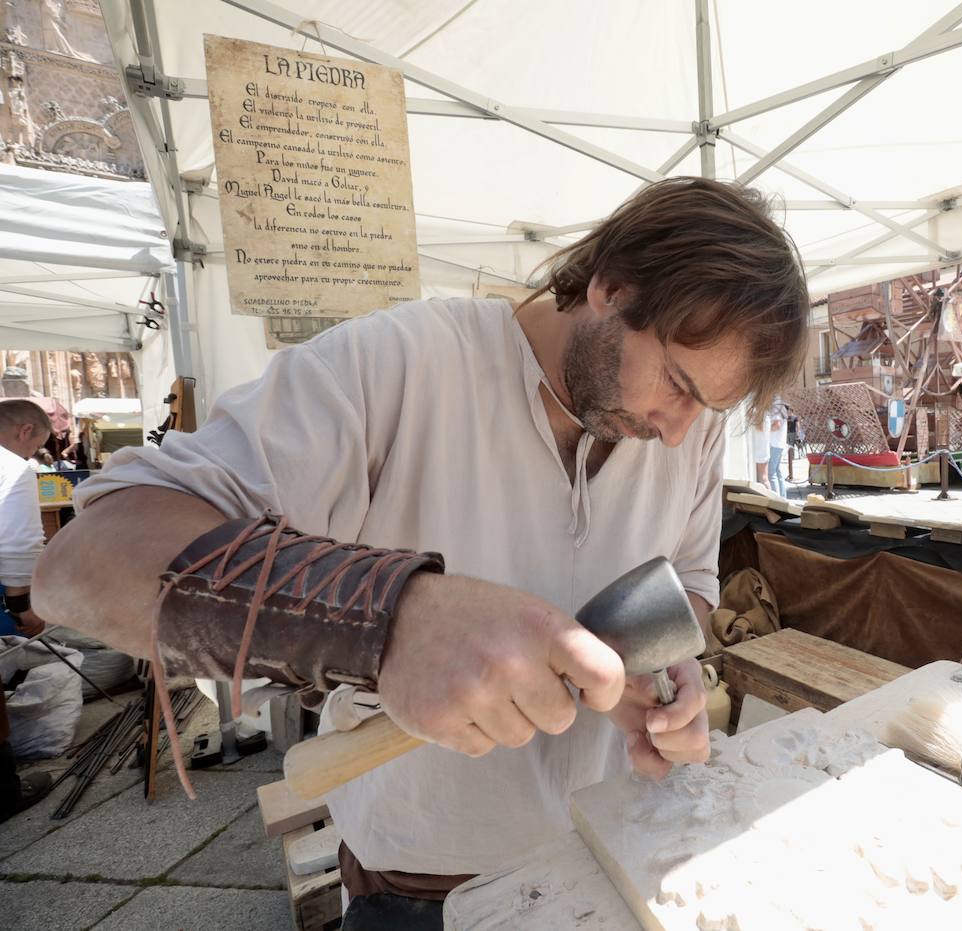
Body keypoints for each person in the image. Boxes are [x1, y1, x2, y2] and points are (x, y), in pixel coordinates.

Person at [31, 178, 810, 920]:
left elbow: (692, 582)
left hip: (612, 851)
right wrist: (391, 619)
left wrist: (664, 665)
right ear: (612, 287)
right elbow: (90, 560)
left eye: (708, 408)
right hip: (423, 882)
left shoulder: (689, 431)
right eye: (676, 382)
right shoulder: (397, 364)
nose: (678, 430)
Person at [0, 399, 55, 821]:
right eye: (34, 446)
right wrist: (24, 608)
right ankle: (4, 794)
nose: (30, 456)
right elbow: (19, 544)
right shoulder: (11, 469)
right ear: (24, 431)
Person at [765, 396, 788, 498]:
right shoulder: (781, 406)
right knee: (778, 472)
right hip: (780, 443)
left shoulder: (775, 405)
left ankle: (777, 500)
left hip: (774, 443)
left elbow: (777, 425)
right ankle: (783, 498)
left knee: (771, 474)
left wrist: (764, 430)